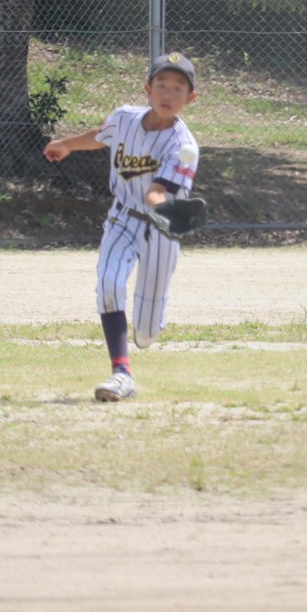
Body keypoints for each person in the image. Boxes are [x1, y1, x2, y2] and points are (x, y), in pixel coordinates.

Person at [43, 52, 201, 401]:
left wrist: (160, 204)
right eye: (161, 84)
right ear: (148, 88)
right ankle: (121, 374)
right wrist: (67, 145)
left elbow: (158, 193)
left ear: (190, 99)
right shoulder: (125, 118)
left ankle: (146, 331)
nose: (167, 93)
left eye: (178, 88)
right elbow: (102, 135)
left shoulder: (184, 146)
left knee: (145, 332)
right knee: (109, 284)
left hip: (161, 229)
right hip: (122, 219)